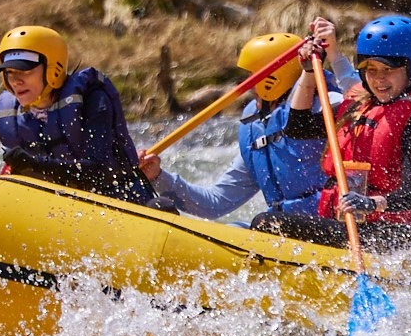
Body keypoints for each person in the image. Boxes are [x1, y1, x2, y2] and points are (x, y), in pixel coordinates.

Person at [251, 14, 411, 251]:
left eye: (388, 70)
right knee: (269, 224)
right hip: (348, 222)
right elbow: (299, 127)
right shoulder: (358, 106)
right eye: (371, 69)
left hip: (394, 233)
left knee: (266, 223)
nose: (379, 79)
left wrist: (371, 203)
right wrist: (308, 72)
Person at [139, 25, 357, 222]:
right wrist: (158, 177)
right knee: (238, 226)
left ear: (275, 76)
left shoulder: (328, 106)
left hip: (326, 223)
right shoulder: (257, 125)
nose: (248, 83)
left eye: (253, 75)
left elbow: (360, 101)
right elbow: (215, 203)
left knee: (262, 223)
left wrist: (334, 54)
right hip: (276, 226)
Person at [0, 24, 156, 205]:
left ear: (52, 69)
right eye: (9, 73)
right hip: (57, 208)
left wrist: (34, 164)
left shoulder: (93, 101)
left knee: (162, 206)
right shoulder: (16, 116)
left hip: (117, 200)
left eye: (25, 71)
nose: (16, 81)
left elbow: (97, 172)